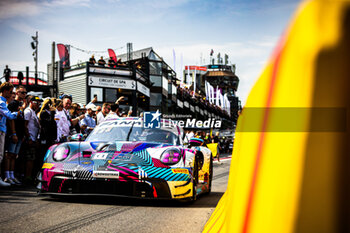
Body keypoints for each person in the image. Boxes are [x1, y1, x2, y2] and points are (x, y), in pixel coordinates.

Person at [3, 86, 27, 185]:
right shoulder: (13, 104)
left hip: (20, 134)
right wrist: (13, 133)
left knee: (14, 155)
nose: (24, 95)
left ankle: (12, 176)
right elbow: (10, 119)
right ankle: (7, 176)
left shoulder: (21, 105)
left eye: (25, 93)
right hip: (14, 133)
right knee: (9, 154)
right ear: (17, 93)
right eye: (22, 92)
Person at [0, 82, 18, 187]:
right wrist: (17, 113)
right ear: (5, 91)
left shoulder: (3, 102)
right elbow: (9, 116)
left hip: (2, 130)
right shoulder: (2, 103)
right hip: (1, 130)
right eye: (11, 92)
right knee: (0, 156)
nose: (12, 94)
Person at [23, 96, 42, 184]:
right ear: (31, 102)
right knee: (29, 159)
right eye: (36, 102)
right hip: (30, 138)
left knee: (32, 158)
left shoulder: (34, 112)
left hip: (34, 138)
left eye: (39, 103)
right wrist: (29, 138)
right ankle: (27, 177)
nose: (38, 105)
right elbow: (25, 125)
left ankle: (29, 176)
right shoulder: (28, 111)